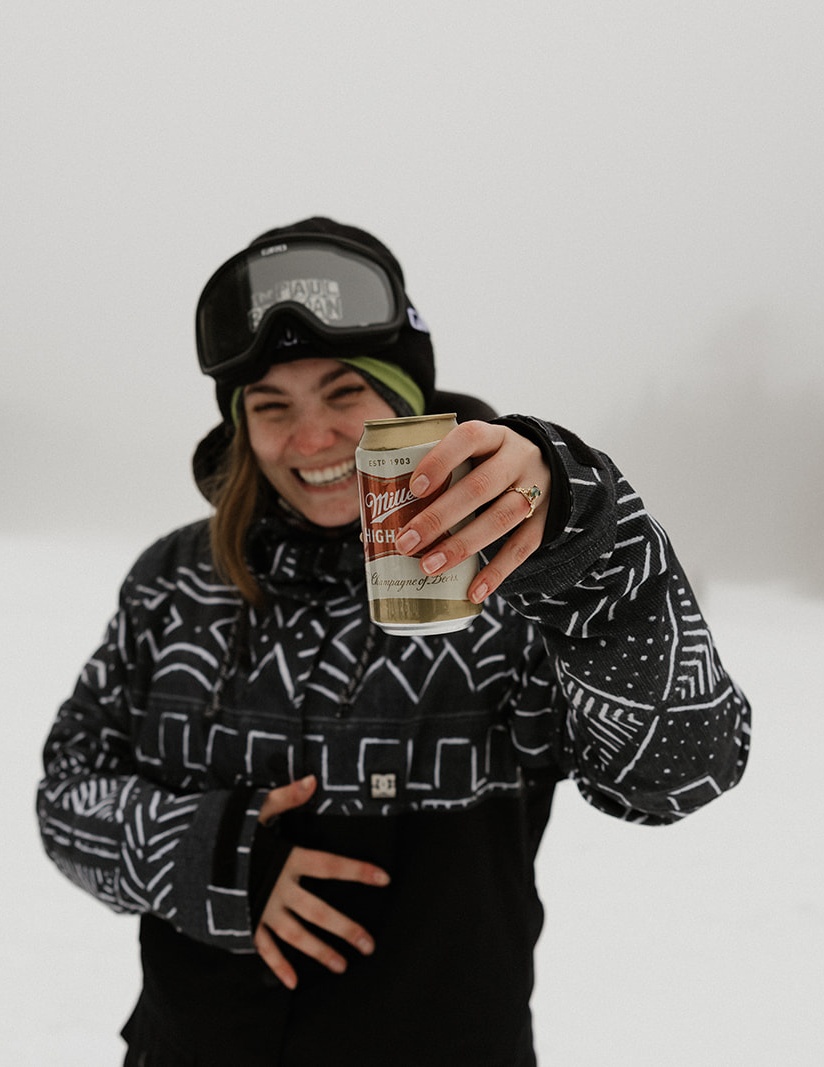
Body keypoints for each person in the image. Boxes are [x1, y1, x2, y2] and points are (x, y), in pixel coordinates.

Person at [37, 217, 751, 1065]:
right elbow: (67, 794)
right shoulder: (175, 579)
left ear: (407, 398)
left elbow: (678, 772)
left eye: (343, 393)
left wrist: (583, 535)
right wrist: (215, 856)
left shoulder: (516, 578)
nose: (309, 439)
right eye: (271, 407)